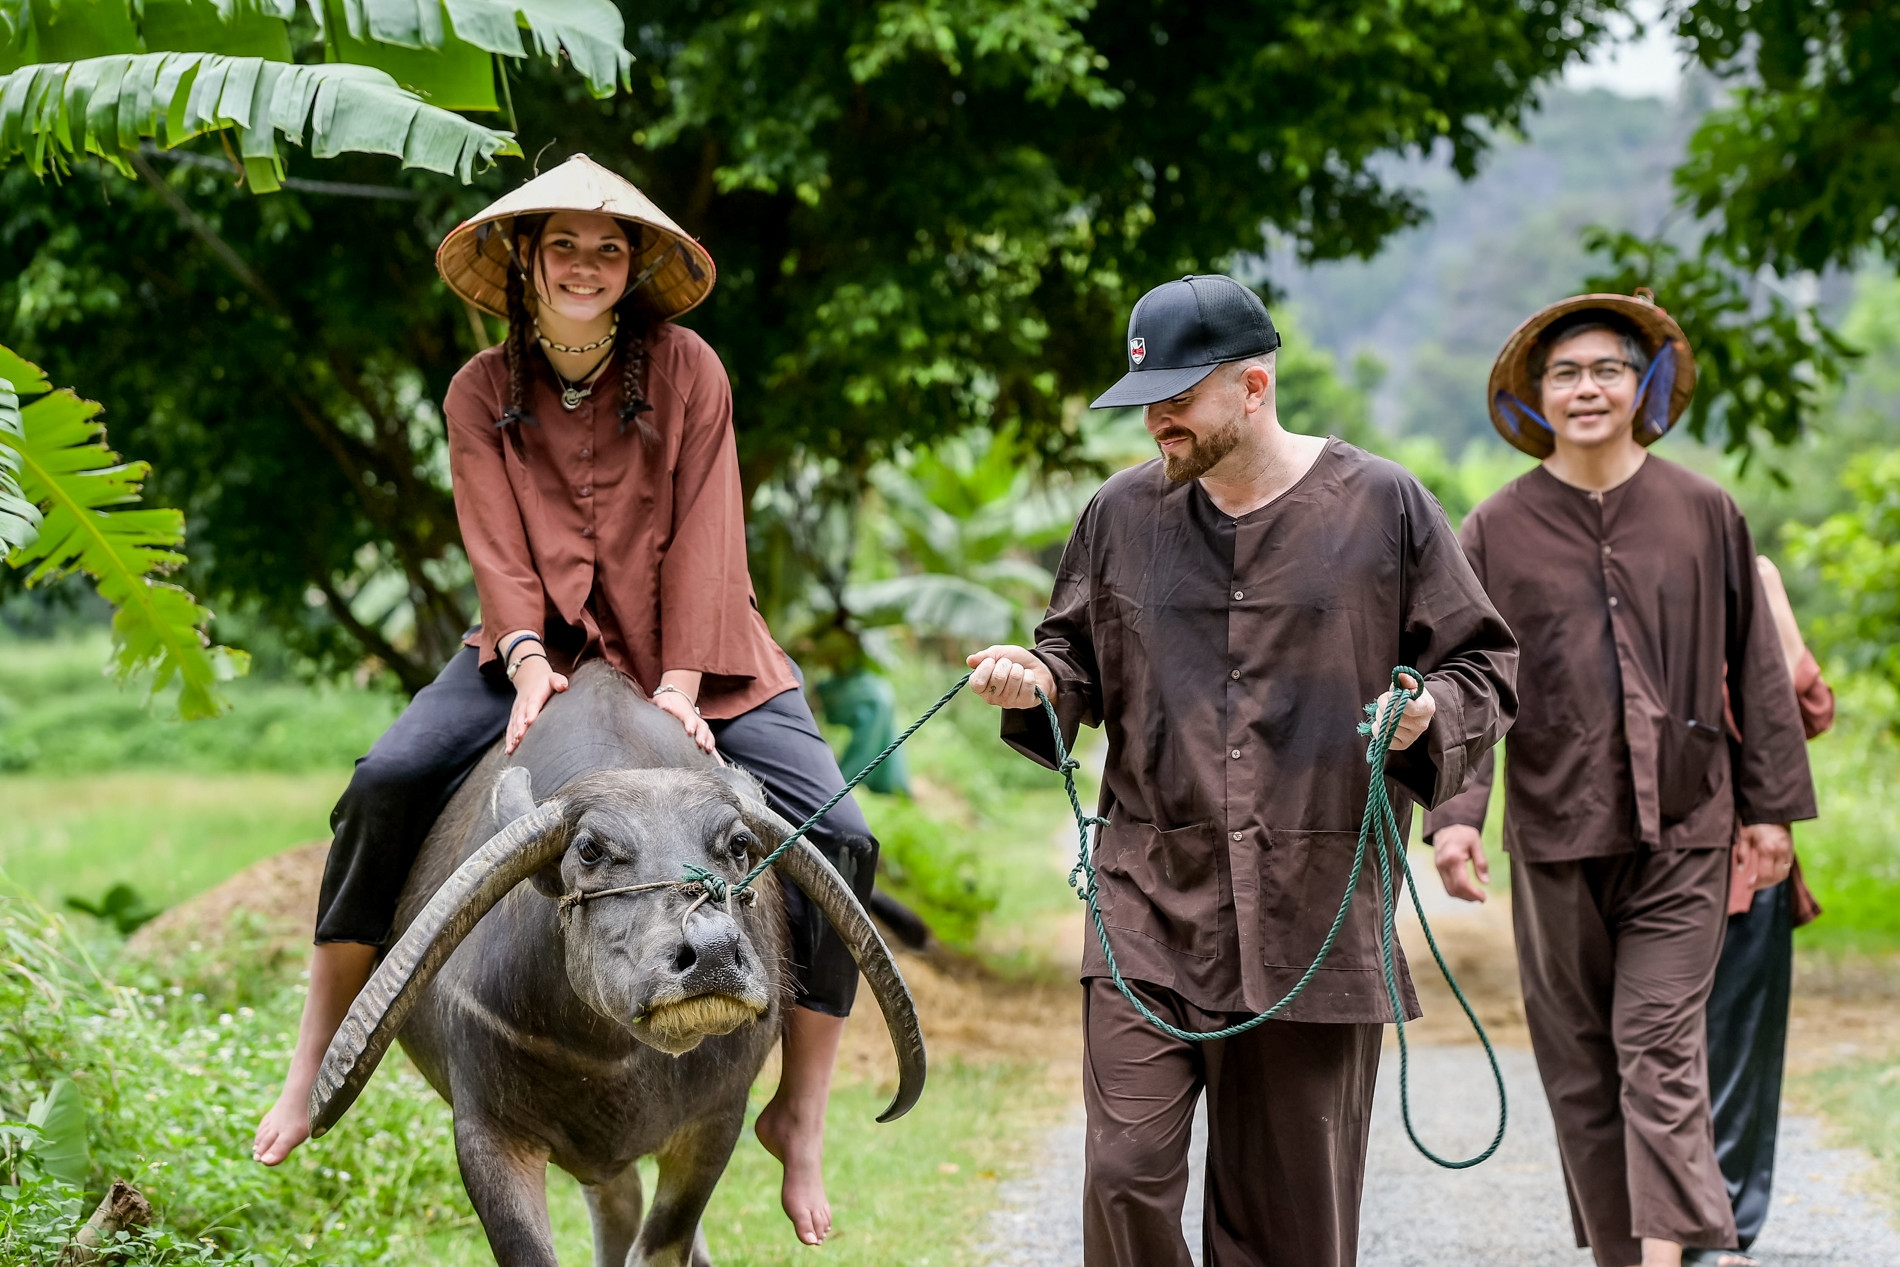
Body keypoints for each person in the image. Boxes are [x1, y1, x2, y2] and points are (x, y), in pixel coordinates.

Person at [251, 155, 871, 1246]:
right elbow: (494, 547)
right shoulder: (478, 393)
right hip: (523, 652)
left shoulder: (688, 370)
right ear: (526, 265)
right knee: (384, 783)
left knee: (843, 831)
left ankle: (799, 1114)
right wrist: (531, 662)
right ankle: (313, 1062)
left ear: (633, 268)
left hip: (704, 650)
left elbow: (707, 530)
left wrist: (682, 682)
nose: (586, 265)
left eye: (609, 248)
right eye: (564, 247)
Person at [965, 274, 1518, 1266]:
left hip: (1316, 912)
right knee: (1122, 1173)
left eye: (1179, 396)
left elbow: (1484, 664)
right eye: (1145, 401)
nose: (1157, 421)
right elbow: (1071, 661)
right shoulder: (1116, 515)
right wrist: (1032, 680)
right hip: (1147, 905)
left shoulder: (1384, 504)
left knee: (1292, 1228)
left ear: (1253, 386)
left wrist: (1428, 707)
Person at [1424, 291, 1818, 1267]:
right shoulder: (1494, 531)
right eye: (1566, 372)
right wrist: (1455, 816)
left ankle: (1669, 1258)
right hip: (1556, 839)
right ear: (1538, 394)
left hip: (1686, 832)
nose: (1586, 387)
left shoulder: (1703, 514)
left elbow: (1759, 673)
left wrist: (1769, 811)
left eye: (1606, 369)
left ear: (1641, 388)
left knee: (1658, 1052)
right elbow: (1474, 685)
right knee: (1578, 1070)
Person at [1684, 555, 1835, 1267]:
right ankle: (1663, 1224)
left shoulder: (1742, 579)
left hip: (1748, 865)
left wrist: (1768, 592)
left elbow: (1812, 709)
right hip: (1638, 867)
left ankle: (1720, 1234)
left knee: (1736, 1054)